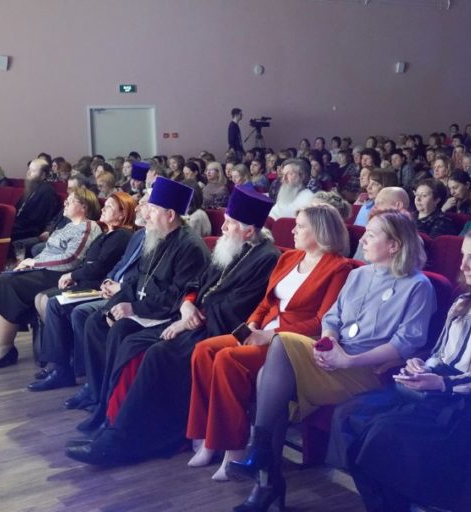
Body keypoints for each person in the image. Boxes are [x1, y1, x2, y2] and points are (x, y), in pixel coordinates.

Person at [227, 211, 436, 512]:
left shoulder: (418, 286)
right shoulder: (359, 274)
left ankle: (262, 465)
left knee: (280, 345)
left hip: (364, 370)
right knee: (268, 380)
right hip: (335, 357)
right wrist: (328, 344)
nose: (362, 240)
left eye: (371, 235)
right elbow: (332, 318)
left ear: (394, 245)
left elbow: (406, 343)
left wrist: (348, 360)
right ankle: (264, 479)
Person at [64, 187, 279, 466]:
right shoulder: (230, 246)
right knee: (132, 342)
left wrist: (187, 319)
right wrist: (187, 305)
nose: (223, 228)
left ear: (249, 232)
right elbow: (197, 283)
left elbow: (236, 307)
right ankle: (113, 423)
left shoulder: (266, 258)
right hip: (192, 319)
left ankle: (134, 440)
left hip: (216, 329)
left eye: (229, 223)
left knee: (158, 353)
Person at [332, 224, 471, 512]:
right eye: (463, 255)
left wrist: (442, 383)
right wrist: (421, 366)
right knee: (347, 415)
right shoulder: (463, 300)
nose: (463, 265)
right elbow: (439, 354)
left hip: (465, 401)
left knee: (382, 433)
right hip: (434, 387)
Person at [186, 204, 353, 481]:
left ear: (320, 232)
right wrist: (253, 323)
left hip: (289, 344)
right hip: (262, 330)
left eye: (301, 226)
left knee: (228, 359)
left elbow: (321, 321)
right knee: (204, 350)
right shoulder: (289, 258)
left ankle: (233, 450)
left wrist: (270, 335)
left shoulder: (338, 268)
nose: (293, 230)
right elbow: (266, 302)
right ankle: (207, 440)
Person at [66, 178, 210, 421]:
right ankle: (98, 394)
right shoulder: (156, 235)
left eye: (152, 209)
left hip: (165, 315)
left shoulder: (190, 247)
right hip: (144, 308)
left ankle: (111, 407)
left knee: (120, 330)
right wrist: (112, 308)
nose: (146, 214)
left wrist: (132, 308)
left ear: (170, 215)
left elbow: (175, 296)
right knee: (96, 322)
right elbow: (136, 280)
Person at [0, 188, 102, 369]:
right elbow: (47, 253)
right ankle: (3, 345)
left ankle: (4, 348)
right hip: (45, 270)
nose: (65, 203)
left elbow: (71, 259)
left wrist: (34, 263)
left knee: (4, 284)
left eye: (71, 201)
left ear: (84, 206)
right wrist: (27, 264)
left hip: (59, 275)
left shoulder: (88, 227)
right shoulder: (67, 226)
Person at [27, 191, 136, 390]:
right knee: (51, 302)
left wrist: (73, 275)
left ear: (122, 214)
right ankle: (60, 366)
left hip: (95, 287)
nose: (103, 209)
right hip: (87, 283)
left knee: (55, 304)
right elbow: (89, 262)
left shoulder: (121, 235)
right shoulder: (107, 233)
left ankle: (64, 370)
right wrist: (76, 276)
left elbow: (99, 267)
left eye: (109, 207)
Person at [11, 158, 60, 242]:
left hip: (31, 231)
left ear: (43, 175)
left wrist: (16, 224)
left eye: (33, 171)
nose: (28, 173)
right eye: (29, 170)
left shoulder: (47, 191)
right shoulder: (31, 189)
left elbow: (38, 220)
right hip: (20, 226)